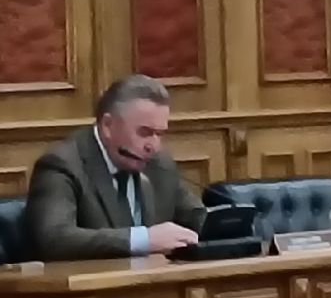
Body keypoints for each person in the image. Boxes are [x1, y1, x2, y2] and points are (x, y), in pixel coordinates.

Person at [26, 74, 206, 260]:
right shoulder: (62, 165)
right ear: (108, 125)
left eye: (159, 134)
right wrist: (143, 239)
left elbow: (195, 218)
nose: (153, 146)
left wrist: (222, 223)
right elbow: (54, 240)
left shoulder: (158, 163)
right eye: (145, 132)